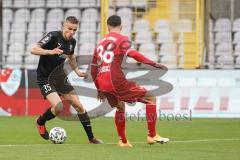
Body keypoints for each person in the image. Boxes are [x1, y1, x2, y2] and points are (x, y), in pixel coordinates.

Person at [91, 15, 169, 147]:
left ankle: (123, 141)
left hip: (102, 83)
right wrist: (153, 64)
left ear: (107, 27)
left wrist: (98, 89)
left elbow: (93, 69)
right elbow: (134, 54)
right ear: (121, 27)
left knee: (120, 106)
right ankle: (152, 135)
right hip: (115, 80)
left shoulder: (100, 43)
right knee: (151, 98)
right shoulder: (122, 39)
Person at [31, 16, 102, 144]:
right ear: (64, 26)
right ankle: (40, 121)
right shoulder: (53, 36)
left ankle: (91, 138)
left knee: (78, 105)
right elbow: (33, 49)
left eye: (75, 30)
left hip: (60, 76)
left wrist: (77, 71)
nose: (72, 32)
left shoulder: (72, 42)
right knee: (58, 107)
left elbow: (71, 57)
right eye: (69, 28)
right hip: (45, 77)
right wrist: (50, 51)